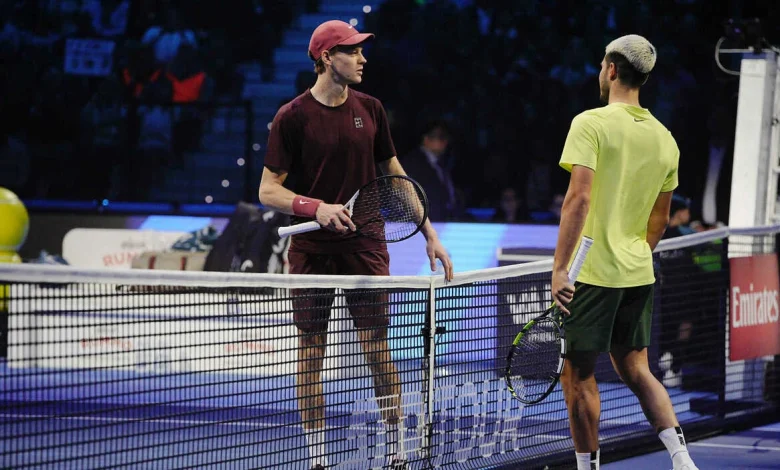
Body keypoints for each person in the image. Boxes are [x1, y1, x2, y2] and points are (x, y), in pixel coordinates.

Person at [258, 20, 454, 470]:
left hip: (365, 244)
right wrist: (315, 208)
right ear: (327, 58)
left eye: (362, 52)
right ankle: (318, 460)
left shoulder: (372, 109)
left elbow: (396, 174)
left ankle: (396, 452)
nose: (363, 59)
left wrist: (430, 233)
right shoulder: (292, 117)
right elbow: (268, 190)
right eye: (353, 52)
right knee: (310, 351)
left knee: (376, 348)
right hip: (311, 251)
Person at [550, 35, 699, 470]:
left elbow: (577, 200)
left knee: (577, 375)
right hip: (638, 271)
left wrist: (561, 270)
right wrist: (634, 253)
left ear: (612, 69)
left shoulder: (590, 123)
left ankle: (586, 467)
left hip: (593, 272)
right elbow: (661, 218)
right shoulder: (665, 138)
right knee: (637, 368)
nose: (600, 71)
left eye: (601, 64)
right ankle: (682, 458)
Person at [400, 120, 461, 221]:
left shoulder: (443, 163)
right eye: (440, 137)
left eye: (445, 137)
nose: (445, 142)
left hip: (443, 221)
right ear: (426, 139)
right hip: (422, 223)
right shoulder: (412, 163)